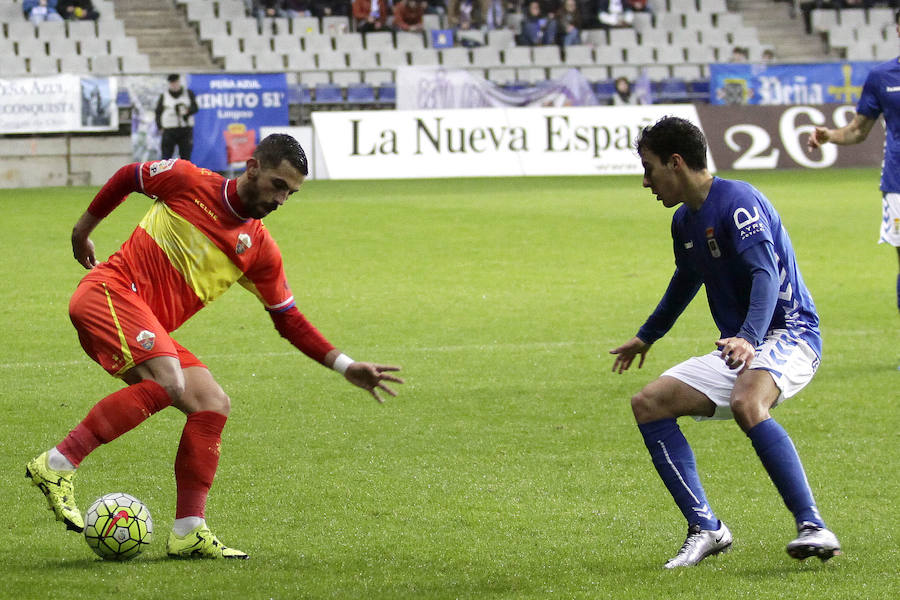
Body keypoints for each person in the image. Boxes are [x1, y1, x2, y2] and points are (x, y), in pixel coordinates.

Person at [25, 134, 404, 559]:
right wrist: (83, 231)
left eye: (291, 193)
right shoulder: (188, 181)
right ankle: (58, 464)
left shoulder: (259, 249)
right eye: (279, 185)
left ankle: (189, 530)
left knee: (211, 402)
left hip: (147, 327)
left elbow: (288, 320)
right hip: (108, 293)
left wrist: (345, 365)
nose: (282, 199)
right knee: (169, 379)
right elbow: (129, 175)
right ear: (253, 167)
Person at [610, 116, 841, 568]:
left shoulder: (738, 202)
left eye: (649, 167)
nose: (645, 181)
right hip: (742, 342)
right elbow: (686, 281)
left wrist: (750, 338)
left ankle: (813, 525)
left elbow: (765, 276)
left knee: (747, 400)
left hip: (790, 332)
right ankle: (706, 528)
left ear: (676, 163)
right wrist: (647, 336)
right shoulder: (685, 221)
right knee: (649, 403)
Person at [807, 9, 900, 359]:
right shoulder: (882, 77)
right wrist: (829, 135)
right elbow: (859, 130)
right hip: (898, 184)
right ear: (898, 29)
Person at [154, 74, 198, 162]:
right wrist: (160, 127)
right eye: (172, 83)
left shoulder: (188, 93)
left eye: (176, 82)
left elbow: (195, 108)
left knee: (186, 157)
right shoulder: (164, 96)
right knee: (166, 158)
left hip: (185, 129)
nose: (174, 85)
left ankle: (185, 175)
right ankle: (165, 175)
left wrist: (187, 112)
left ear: (179, 82)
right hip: (169, 130)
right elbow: (158, 112)